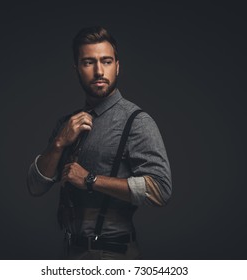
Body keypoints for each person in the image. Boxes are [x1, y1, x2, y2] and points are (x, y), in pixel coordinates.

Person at [27, 26, 172, 260]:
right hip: (70, 254)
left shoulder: (136, 121)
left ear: (117, 66)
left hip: (113, 255)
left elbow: (161, 190)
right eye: (88, 62)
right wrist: (58, 143)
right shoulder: (67, 124)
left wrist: (90, 180)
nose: (98, 71)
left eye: (106, 61)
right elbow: (35, 187)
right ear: (77, 69)